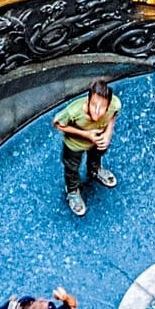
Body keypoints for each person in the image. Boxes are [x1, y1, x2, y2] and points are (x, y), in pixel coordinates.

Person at [52, 79, 119, 217]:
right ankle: (72, 191)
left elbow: (113, 115)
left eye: (102, 108)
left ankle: (94, 170)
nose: (97, 111)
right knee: (72, 169)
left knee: (96, 157)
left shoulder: (114, 104)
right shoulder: (74, 111)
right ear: (87, 101)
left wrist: (108, 133)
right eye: (94, 105)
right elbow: (57, 123)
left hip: (97, 140)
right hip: (74, 145)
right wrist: (86, 134)